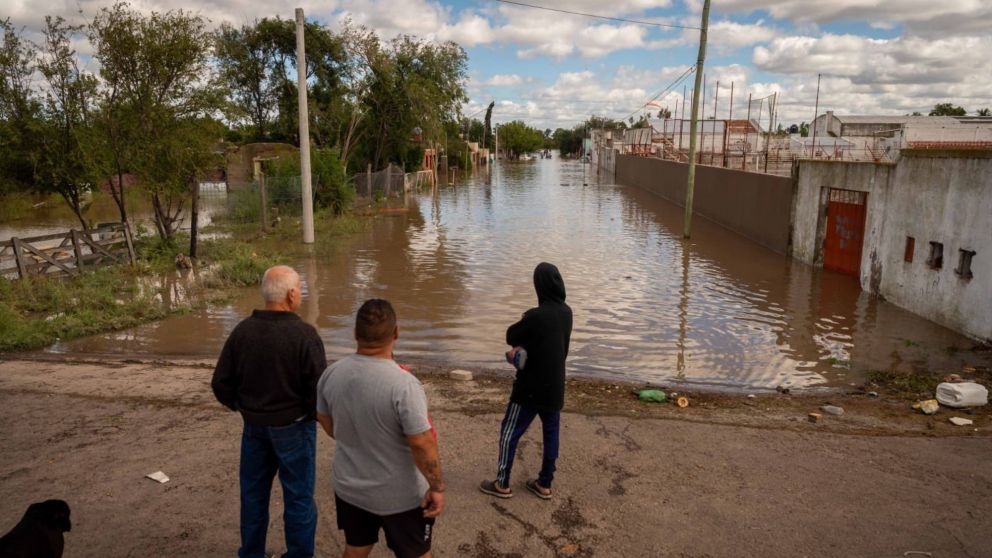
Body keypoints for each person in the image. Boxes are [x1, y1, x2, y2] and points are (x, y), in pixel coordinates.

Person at [212, 265, 327, 558]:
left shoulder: (243, 332)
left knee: (253, 495)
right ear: (291, 295)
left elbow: (221, 383)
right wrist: (310, 413)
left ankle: (251, 553)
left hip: (254, 427)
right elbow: (318, 391)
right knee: (299, 497)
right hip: (295, 428)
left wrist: (242, 406)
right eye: (300, 289)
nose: (300, 294)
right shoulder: (305, 335)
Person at [316, 299, 444, 558]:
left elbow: (327, 423)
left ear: (355, 333)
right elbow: (421, 443)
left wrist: (358, 436)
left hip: (350, 488)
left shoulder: (331, 374)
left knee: (356, 549)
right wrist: (437, 487)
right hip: (401, 498)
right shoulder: (404, 385)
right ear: (396, 332)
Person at [480, 262, 572, 500]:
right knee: (551, 434)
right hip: (555, 387)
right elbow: (557, 347)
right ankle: (544, 484)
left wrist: (520, 349)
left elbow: (511, 335)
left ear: (538, 286)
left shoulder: (535, 316)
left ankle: (502, 484)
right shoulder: (567, 313)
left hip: (529, 388)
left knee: (509, 431)